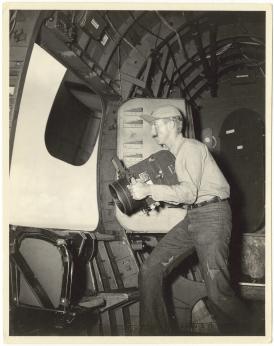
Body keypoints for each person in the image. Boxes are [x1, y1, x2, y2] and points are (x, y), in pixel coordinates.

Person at [128, 105, 251, 336]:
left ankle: (256, 335)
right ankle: (153, 336)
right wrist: (151, 196)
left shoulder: (191, 148)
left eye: (157, 124)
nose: (154, 131)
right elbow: (186, 197)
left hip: (212, 217)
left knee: (218, 293)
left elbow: (188, 193)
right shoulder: (176, 156)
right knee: (150, 269)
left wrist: (149, 190)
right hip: (195, 217)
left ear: (173, 124)